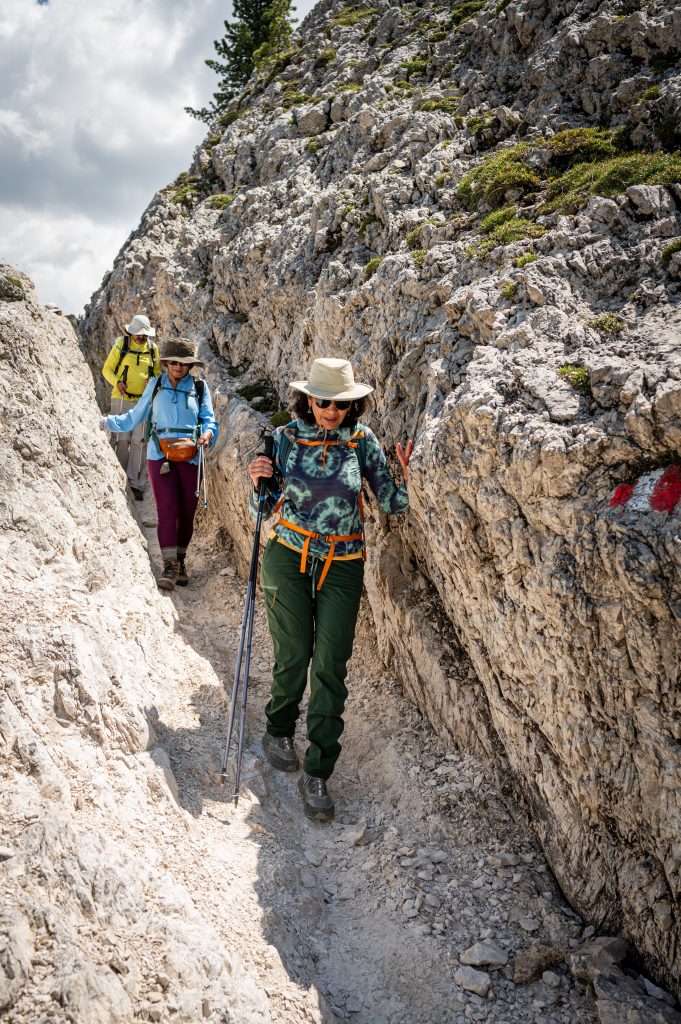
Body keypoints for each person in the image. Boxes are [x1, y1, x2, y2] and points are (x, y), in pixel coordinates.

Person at [248, 357, 413, 822]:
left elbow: (393, 502)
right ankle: (278, 729)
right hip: (287, 556)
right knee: (295, 653)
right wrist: (257, 479)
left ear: (352, 406)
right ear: (307, 399)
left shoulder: (363, 441)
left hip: (343, 562)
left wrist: (405, 475)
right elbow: (261, 506)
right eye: (323, 402)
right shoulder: (283, 440)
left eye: (341, 404)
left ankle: (318, 769)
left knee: (331, 664)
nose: (331, 411)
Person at [100, 338, 218, 591]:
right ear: (165, 363)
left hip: (191, 455)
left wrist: (208, 434)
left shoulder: (199, 387)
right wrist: (107, 423)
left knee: (187, 512)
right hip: (159, 455)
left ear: (190, 366)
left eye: (183, 363)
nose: (178, 367)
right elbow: (135, 416)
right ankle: (169, 565)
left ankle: (181, 560)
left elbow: (209, 419)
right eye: (173, 362)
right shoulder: (154, 385)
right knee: (168, 510)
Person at [102, 313, 161, 500]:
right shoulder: (121, 345)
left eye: (144, 334)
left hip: (143, 402)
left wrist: (153, 381)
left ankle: (136, 484)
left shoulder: (153, 349)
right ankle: (119, 478)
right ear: (131, 332)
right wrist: (117, 381)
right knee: (122, 437)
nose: (141, 337)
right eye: (138, 334)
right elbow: (107, 369)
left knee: (140, 441)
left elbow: (158, 374)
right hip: (121, 397)